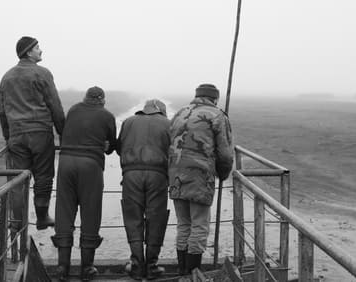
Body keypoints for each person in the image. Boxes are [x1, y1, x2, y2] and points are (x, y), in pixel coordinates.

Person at [0, 36, 65, 231]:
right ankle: (42, 217)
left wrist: (8, 136)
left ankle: (17, 221)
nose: (41, 51)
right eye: (37, 48)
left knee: (18, 179)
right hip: (40, 132)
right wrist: (62, 133)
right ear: (28, 52)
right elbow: (55, 105)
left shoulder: (7, 76)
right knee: (43, 176)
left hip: (16, 135)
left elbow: (2, 109)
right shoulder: (42, 73)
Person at [51, 86, 117, 281]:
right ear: (103, 100)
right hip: (90, 164)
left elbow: (64, 132)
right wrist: (105, 145)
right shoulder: (107, 116)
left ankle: (62, 267)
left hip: (65, 162)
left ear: (85, 97)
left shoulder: (73, 110)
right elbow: (110, 146)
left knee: (64, 210)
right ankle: (86, 268)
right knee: (90, 212)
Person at [168, 84, 233, 274]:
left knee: (183, 224)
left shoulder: (180, 113)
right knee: (199, 225)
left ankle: (183, 271)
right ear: (215, 99)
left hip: (175, 175)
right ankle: (193, 272)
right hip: (200, 176)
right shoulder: (218, 116)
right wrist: (223, 174)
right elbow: (225, 154)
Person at [116, 99, 171, 280]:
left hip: (131, 174)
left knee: (133, 218)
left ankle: (137, 264)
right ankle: (152, 265)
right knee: (156, 217)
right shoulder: (167, 124)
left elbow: (119, 147)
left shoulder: (128, 121)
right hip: (158, 175)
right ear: (161, 111)